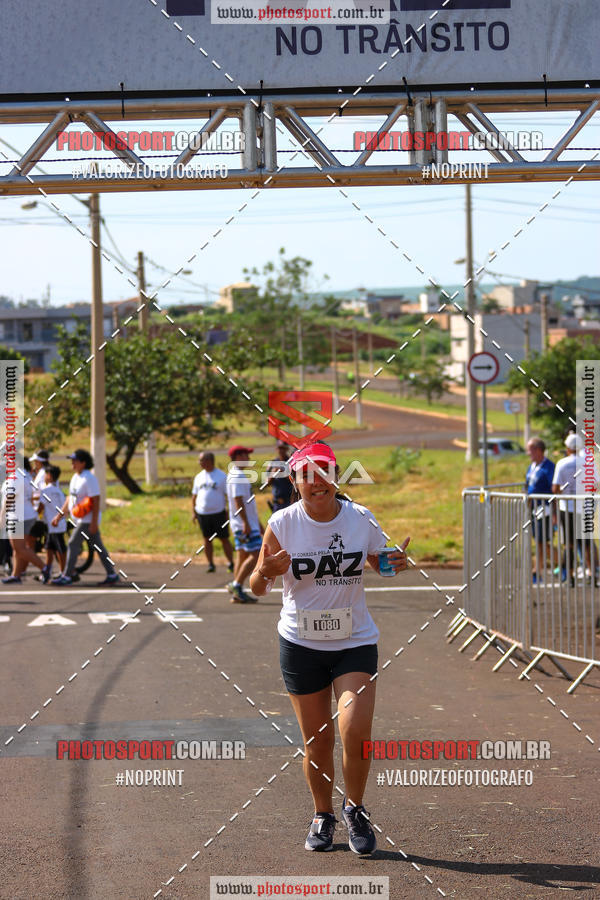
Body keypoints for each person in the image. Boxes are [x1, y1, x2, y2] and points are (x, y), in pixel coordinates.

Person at [249, 442, 410, 855]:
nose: (317, 482)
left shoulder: (360, 518)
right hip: (301, 644)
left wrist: (395, 563)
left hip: (354, 642)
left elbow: (380, 563)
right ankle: (322, 814)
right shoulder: (283, 522)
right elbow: (257, 586)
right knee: (318, 741)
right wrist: (265, 571)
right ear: (294, 481)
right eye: (307, 475)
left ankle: (355, 808)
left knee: (355, 730)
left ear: (336, 476)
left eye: (324, 472)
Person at [50, 448, 119, 586]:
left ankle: (67, 576)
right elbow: (70, 498)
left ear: (83, 463)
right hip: (80, 519)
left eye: (75, 461)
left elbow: (96, 500)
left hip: (87, 520)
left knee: (72, 543)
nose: (72, 463)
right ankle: (112, 574)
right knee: (99, 547)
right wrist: (59, 515)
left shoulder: (89, 478)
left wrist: (94, 522)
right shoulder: (75, 477)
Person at [226, 445, 262, 604]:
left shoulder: (236, 474)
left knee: (242, 555)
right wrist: (246, 523)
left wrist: (257, 524)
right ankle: (237, 585)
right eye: (246, 455)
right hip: (244, 525)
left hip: (243, 523)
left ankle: (237, 591)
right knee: (256, 554)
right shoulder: (237, 476)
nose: (248, 458)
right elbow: (238, 500)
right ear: (238, 457)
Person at [1, 458, 46, 584]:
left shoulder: (16, 476)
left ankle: (45, 568)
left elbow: (10, 497)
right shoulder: (24, 475)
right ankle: (16, 575)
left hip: (19, 516)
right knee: (18, 549)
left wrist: (2, 516)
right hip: (25, 515)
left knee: (20, 548)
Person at [191, 451, 234, 573]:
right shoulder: (199, 477)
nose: (199, 463)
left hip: (218, 513)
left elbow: (228, 496)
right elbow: (194, 496)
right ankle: (210, 564)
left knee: (224, 538)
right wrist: (194, 511)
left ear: (209, 461)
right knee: (207, 539)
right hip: (203, 514)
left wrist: (229, 511)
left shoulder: (221, 476)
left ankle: (231, 563)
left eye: (201, 460)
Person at [525, 437, 555, 584]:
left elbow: (554, 489)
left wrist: (554, 512)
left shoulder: (549, 467)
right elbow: (527, 485)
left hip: (545, 508)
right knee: (539, 542)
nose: (528, 453)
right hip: (533, 509)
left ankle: (538, 570)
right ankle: (540, 570)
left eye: (530, 450)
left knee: (542, 542)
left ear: (538, 450)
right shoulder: (531, 466)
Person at [37, 465, 67, 582]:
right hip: (57, 524)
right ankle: (47, 572)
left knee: (60, 549)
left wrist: (34, 516)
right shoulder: (58, 491)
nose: (44, 477)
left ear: (49, 476)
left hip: (54, 524)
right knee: (49, 549)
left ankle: (64, 573)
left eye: (45, 474)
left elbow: (40, 507)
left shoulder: (46, 491)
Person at [265, 440, 294, 512]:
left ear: (287, 449)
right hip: (277, 503)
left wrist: (283, 473)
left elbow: (296, 480)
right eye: (279, 448)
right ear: (276, 449)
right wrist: (273, 473)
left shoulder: (291, 462)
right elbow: (266, 483)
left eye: (283, 448)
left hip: (290, 501)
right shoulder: (272, 463)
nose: (281, 451)